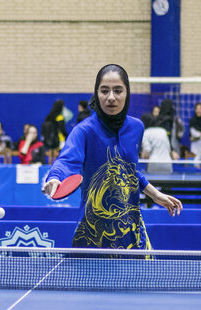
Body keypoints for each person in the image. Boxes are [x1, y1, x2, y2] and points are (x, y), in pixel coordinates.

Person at [42, 64, 182, 251]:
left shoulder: (137, 128)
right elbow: (66, 160)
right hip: (92, 233)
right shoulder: (84, 130)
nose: (111, 98)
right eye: (104, 91)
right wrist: (55, 177)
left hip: (131, 231)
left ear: (127, 93)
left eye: (118, 91)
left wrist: (155, 194)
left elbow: (129, 171)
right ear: (96, 93)